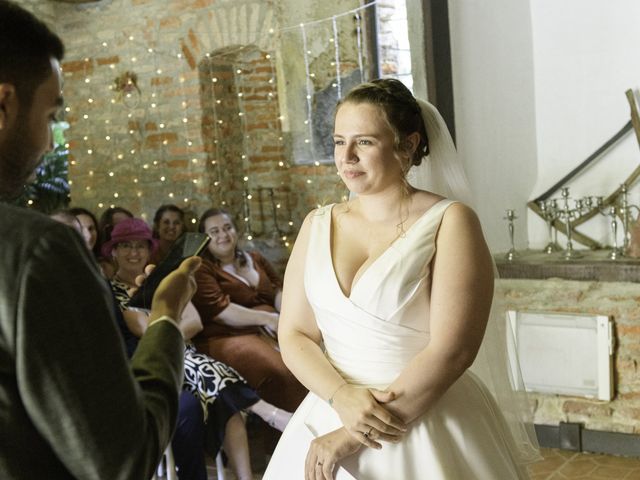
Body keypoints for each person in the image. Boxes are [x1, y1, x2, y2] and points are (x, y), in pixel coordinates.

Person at [263, 78, 539, 479]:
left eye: (365, 142)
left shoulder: (451, 222)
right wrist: (340, 398)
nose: (348, 157)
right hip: (330, 407)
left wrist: (352, 435)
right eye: (340, 142)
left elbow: (453, 350)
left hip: (423, 417)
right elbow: (294, 333)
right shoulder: (316, 224)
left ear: (408, 146)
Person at [0, 2, 201, 478]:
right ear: (4, 104)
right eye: (50, 116)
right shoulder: (37, 252)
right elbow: (121, 459)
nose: (49, 142)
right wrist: (167, 319)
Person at [104, 217, 293, 480]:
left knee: (229, 407)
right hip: (156, 360)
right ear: (114, 252)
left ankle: (246, 476)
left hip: (185, 355)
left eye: (140, 246)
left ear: (149, 250)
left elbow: (193, 321)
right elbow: (143, 329)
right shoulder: (112, 292)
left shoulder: (162, 280)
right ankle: (271, 414)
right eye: (126, 246)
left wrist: (167, 328)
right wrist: (170, 327)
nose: (134, 253)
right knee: (212, 380)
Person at [192, 208, 308, 414]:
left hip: (270, 327)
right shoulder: (202, 267)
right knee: (281, 370)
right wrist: (268, 318)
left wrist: (286, 317)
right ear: (204, 238)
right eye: (214, 231)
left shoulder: (254, 258)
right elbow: (222, 311)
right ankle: (287, 432)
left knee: (307, 357)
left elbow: (279, 290)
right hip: (227, 335)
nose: (223, 235)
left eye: (227, 228)